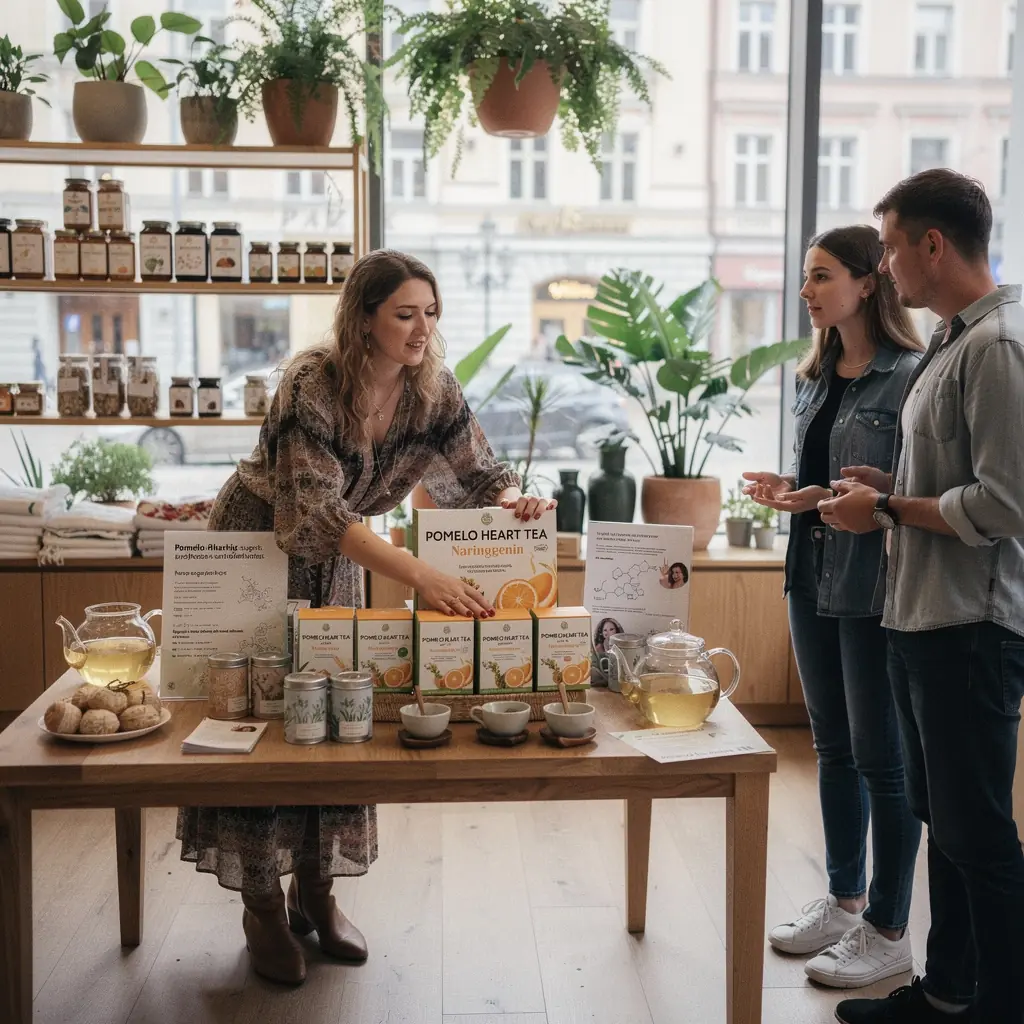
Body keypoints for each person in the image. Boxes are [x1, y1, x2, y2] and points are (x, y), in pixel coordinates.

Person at [176, 250, 556, 986]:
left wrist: (514, 501)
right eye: (404, 314)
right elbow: (315, 512)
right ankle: (260, 903)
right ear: (364, 319)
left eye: (431, 313)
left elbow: (476, 473)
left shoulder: (429, 388)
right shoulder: (311, 383)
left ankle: (316, 889)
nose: (422, 329)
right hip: (261, 545)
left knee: (336, 708)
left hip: (343, 556)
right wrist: (422, 578)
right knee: (262, 719)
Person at [819, 171, 1024, 1024]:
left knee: (977, 832)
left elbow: (1008, 502)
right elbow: (954, 476)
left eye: (893, 245)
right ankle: (946, 994)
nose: (887, 264)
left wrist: (892, 508)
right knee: (945, 820)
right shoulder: (950, 341)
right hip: (921, 620)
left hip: (970, 629)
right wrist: (890, 481)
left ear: (931, 246)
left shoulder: (998, 346)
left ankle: (1002, 1005)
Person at [743, 225, 924, 990]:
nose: (808, 292)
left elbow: (905, 492)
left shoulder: (911, 376)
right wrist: (796, 494)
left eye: (821, 277)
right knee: (832, 747)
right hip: (810, 574)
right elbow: (828, 480)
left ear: (867, 282)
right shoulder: (815, 376)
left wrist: (860, 496)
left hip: (874, 585)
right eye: (806, 278)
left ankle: (889, 927)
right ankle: (845, 899)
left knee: (881, 756)